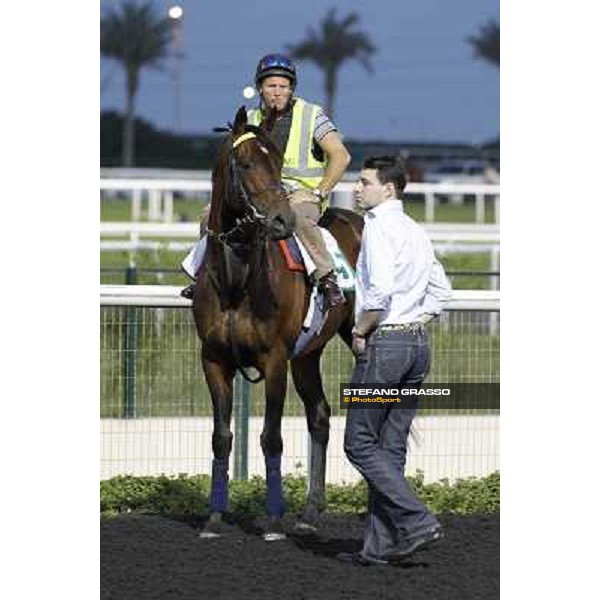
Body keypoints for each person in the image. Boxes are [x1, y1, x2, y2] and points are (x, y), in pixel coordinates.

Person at [337, 156, 453, 566]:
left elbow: (381, 293)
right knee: (390, 448)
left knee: (359, 444)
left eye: (364, 182)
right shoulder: (415, 229)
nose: (356, 188)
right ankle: (380, 547)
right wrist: (414, 323)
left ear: (388, 189)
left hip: (385, 346)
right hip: (417, 347)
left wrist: (360, 331)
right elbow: (441, 292)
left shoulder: (379, 227)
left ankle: (417, 520)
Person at [181, 53, 351, 311]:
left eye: (284, 87)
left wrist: (318, 193)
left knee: (299, 218)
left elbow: (341, 156)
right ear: (260, 88)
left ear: (291, 88)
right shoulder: (249, 120)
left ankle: (327, 278)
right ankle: (204, 274)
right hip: (261, 196)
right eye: (271, 86)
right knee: (209, 216)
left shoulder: (312, 115)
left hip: (301, 196)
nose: (278, 92)